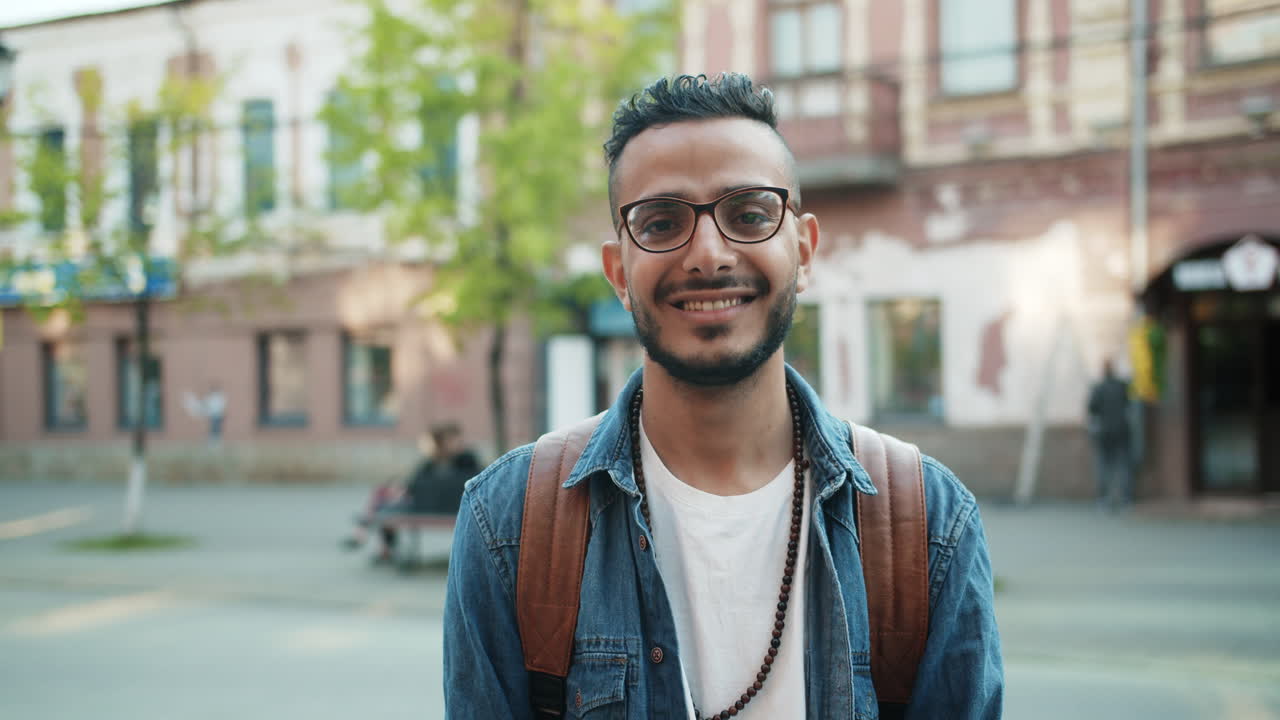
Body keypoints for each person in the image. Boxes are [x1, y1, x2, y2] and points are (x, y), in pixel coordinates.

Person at [444, 73, 1003, 719]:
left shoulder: (927, 522)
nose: (708, 255)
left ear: (803, 247)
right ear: (619, 271)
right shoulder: (508, 521)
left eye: (749, 215)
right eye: (660, 222)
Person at [1087, 358, 1134, 509]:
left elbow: (1092, 409)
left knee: (1103, 466)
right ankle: (1126, 499)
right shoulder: (1122, 387)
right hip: (1122, 430)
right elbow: (1129, 404)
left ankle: (1104, 498)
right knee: (1123, 465)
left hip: (1105, 431)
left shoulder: (1098, 388)